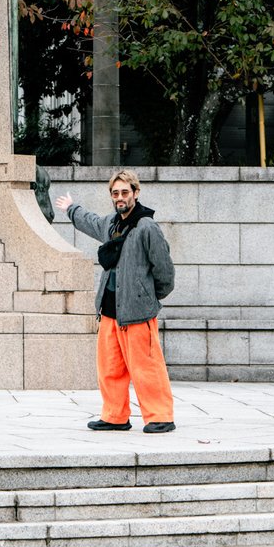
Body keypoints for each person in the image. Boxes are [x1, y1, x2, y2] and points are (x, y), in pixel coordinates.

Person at [56, 170, 177, 433]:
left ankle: (160, 416)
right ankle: (115, 416)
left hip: (137, 311)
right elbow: (90, 222)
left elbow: (165, 271)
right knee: (110, 368)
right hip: (110, 310)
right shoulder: (112, 224)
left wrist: (147, 296)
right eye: (115, 193)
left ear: (136, 193)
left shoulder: (147, 227)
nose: (120, 197)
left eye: (124, 192)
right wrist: (71, 209)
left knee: (146, 367)